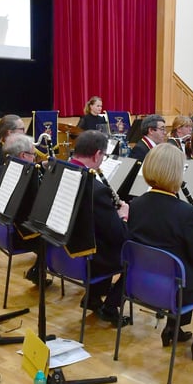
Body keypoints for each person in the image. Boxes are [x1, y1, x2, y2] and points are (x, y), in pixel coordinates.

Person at [127, 143, 193, 358]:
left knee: (179, 265)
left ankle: (172, 328)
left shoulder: (136, 204)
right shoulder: (186, 213)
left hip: (143, 283)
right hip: (176, 289)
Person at [69, 130, 130, 325]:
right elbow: (118, 235)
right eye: (103, 156)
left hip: (63, 251)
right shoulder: (97, 189)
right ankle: (110, 306)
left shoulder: (62, 171)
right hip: (87, 257)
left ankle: (93, 298)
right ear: (97, 154)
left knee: (101, 237)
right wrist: (123, 216)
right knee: (134, 255)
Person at [0, 133, 47, 284]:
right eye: (33, 155)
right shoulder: (29, 174)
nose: (35, 158)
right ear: (23, 155)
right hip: (21, 236)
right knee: (58, 233)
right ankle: (39, 271)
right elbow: (37, 208)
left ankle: (39, 270)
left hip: (3, 232)